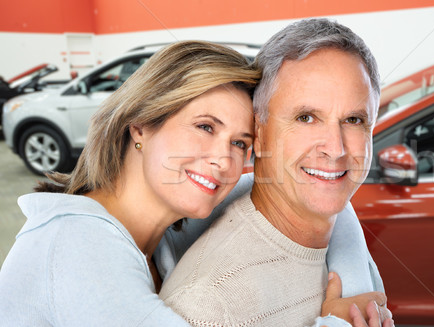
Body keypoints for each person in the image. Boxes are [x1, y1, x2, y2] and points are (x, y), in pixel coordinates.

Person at [0, 40, 386, 326]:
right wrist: (342, 322)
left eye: (240, 143)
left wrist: (351, 288)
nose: (223, 159)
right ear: (141, 125)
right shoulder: (78, 245)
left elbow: (325, 192)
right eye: (204, 127)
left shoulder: (161, 229)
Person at [159, 18, 393, 327]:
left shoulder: (342, 236)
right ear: (257, 131)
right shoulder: (208, 304)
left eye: (353, 120)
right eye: (306, 117)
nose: (336, 149)